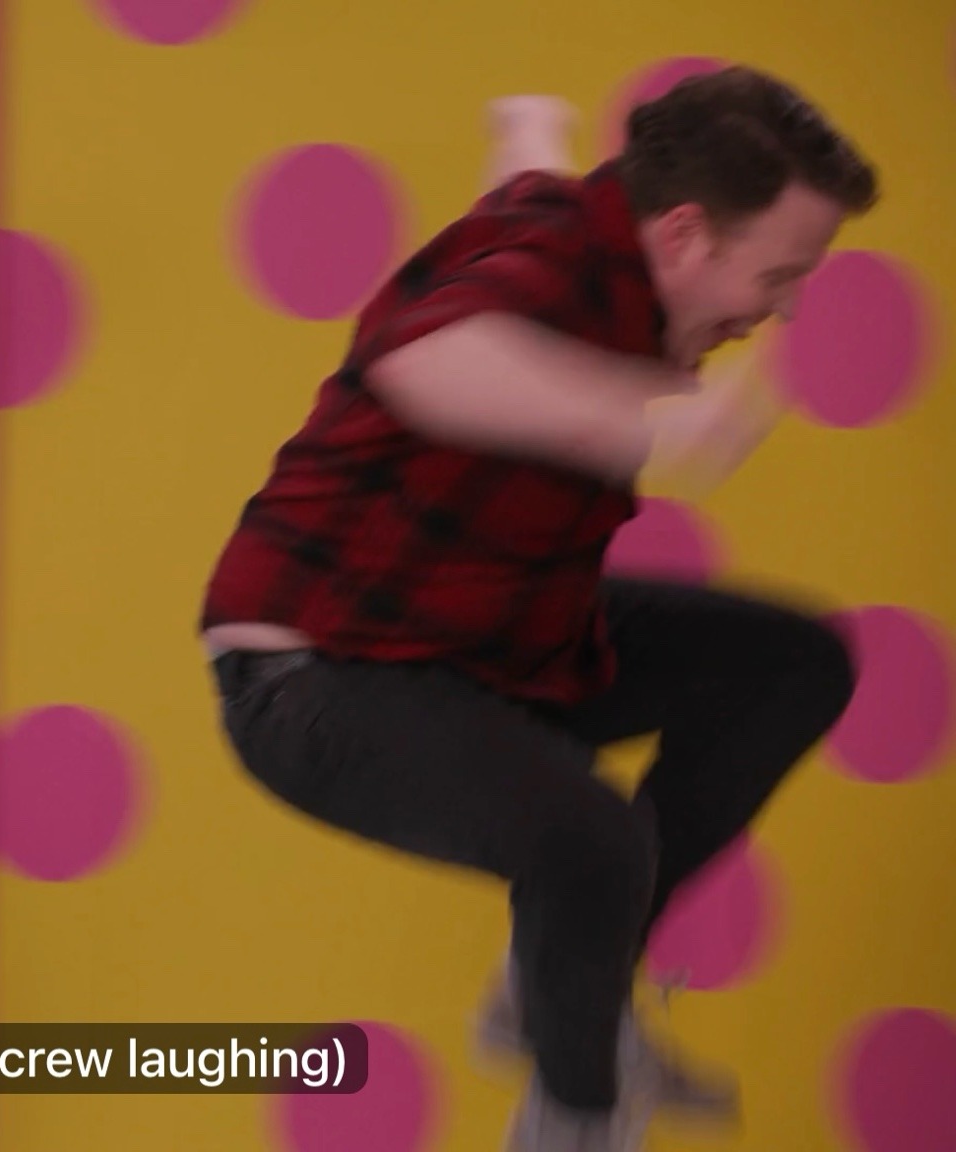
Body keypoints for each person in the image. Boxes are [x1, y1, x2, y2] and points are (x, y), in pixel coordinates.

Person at [199, 66, 878, 1152]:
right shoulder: (552, 267)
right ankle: (574, 1118)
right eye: (779, 275)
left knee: (790, 666)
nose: (785, 308)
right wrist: (641, 421)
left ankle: (553, 993)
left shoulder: (591, 230)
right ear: (684, 234)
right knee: (591, 843)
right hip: (318, 681)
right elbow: (426, 356)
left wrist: (526, 126)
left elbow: (523, 182)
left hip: (493, 645)